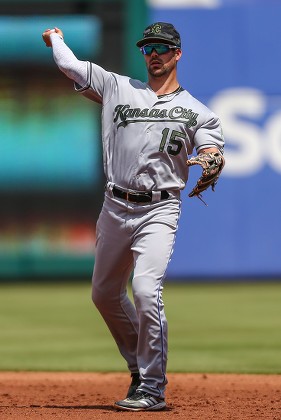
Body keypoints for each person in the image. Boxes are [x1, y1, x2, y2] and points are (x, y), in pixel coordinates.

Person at [42, 22, 225, 412]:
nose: (153, 53)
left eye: (161, 47)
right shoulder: (118, 87)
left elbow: (211, 148)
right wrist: (55, 38)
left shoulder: (198, 112)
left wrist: (211, 159)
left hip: (159, 208)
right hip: (115, 205)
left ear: (177, 53)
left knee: (144, 289)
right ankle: (138, 370)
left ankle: (153, 387)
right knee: (104, 294)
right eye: (147, 48)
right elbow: (71, 66)